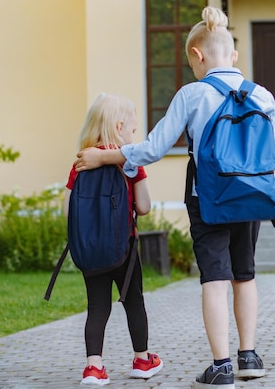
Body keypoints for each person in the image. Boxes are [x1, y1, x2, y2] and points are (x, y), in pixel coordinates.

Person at [74, 6, 275, 389]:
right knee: (245, 275)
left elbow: (153, 148)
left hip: (208, 198)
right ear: (234, 56)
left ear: (196, 55)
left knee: (214, 279)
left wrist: (105, 156)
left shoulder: (193, 93)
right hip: (253, 197)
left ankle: (221, 366)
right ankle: (249, 356)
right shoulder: (263, 95)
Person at [65, 93, 163, 386]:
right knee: (133, 301)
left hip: (90, 250)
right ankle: (143, 360)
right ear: (120, 126)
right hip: (125, 247)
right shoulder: (130, 163)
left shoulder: (80, 163)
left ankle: (94, 368)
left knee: (97, 305)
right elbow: (144, 208)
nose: (134, 135)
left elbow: (68, 209)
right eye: (132, 129)